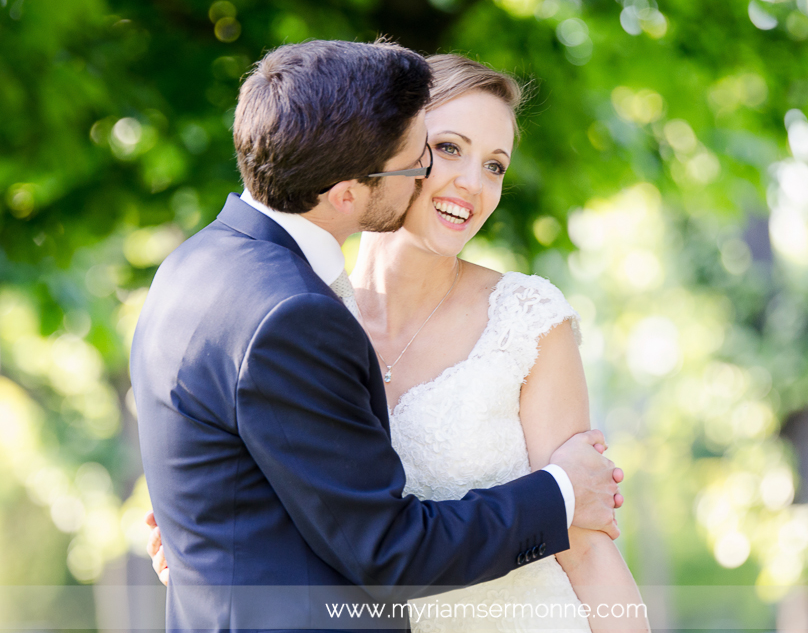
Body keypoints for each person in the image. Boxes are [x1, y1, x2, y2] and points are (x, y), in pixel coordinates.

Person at [130, 40, 624, 632]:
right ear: (372, 156)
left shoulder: (525, 320)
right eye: (443, 150)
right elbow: (368, 543)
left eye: (495, 164)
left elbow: (590, 550)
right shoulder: (297, 312)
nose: (473, 183)